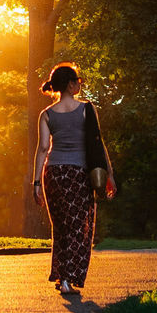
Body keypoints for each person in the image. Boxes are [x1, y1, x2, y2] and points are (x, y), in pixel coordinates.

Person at [32, 62, 115, 296]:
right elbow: (98, 144)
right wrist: (109, 175)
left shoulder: (46, 114)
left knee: (60, 228)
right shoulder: (87, 109)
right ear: (70, 84)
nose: (80, 83)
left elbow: (43, 149)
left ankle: (61, 275)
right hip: (78, 175)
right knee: (79, 228)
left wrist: (36, 182)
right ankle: (68, 278)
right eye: (77, 80)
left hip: (53, 175)